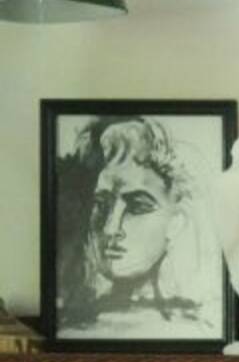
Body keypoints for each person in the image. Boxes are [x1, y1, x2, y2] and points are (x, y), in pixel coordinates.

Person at [56, 115, 219, 336]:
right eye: (101, 205)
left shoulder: (197, 329)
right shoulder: (67, 329)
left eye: (138, 207)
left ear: (176, 221)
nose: (110, 229)